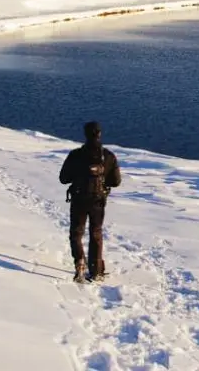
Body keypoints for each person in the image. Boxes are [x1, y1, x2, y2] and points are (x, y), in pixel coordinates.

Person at [59, 121, 122, 282]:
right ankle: (96, 270)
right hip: (98, 201)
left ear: (85, 134)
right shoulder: (108, 156)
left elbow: (63, 179)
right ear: (99, 134)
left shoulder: (75, 155)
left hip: (79, 199)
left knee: (76, 233)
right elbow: (116, 181)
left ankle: (79, 262)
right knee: (96, 233)